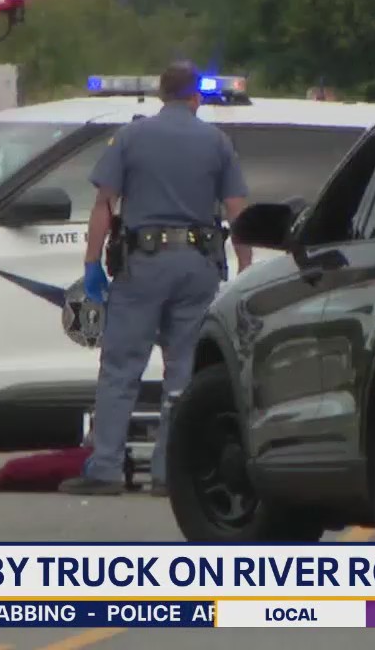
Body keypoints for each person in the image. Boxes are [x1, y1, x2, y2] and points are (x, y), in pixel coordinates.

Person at [59, 61, 253, 497]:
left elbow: (104, 203)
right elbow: (237, 209)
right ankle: (170, 472)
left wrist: (92, 264)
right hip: (197, 267)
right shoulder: (217, 142)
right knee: (184, 371)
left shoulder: (131, 137)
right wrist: (246, 264)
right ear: (196, 96)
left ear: (162, 94)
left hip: (142, 266)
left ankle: (106, 468)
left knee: (121, 368)